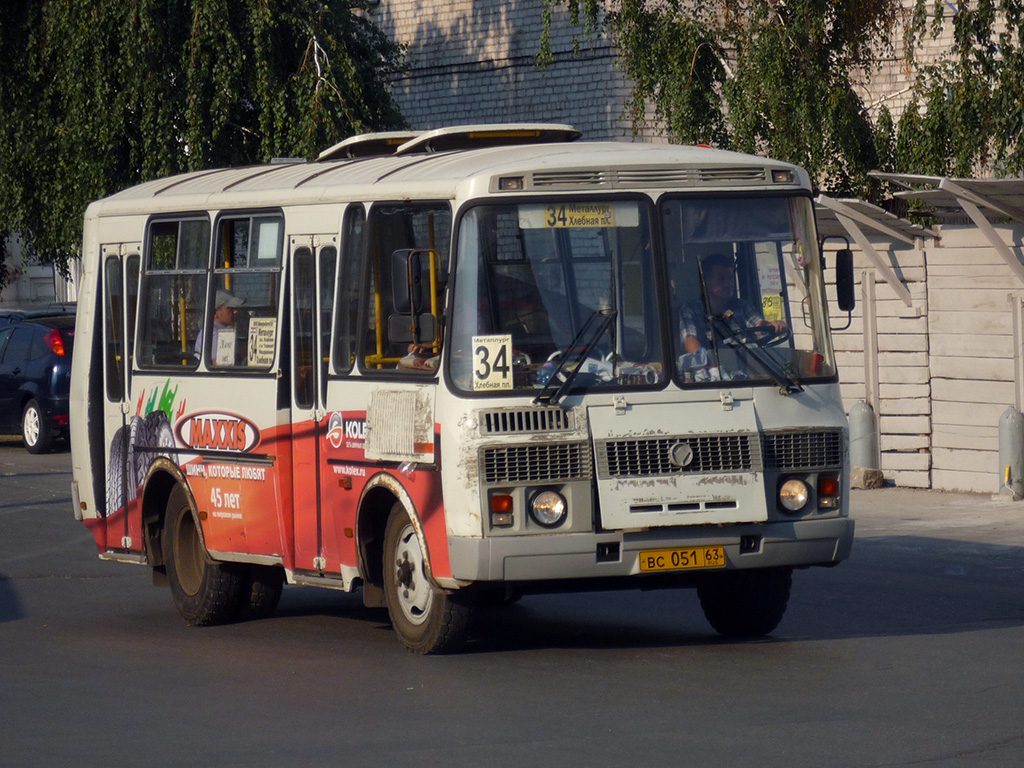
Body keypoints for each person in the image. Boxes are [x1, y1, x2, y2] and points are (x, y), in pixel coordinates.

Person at [679, 253, 787, 377]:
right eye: (721, 279)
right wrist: (709, 364)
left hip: (745, 373)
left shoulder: (741, 306)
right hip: (709, 376)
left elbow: (758, 324)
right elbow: (689, 339)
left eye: (731, 279)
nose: (728, 284)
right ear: (706, 282)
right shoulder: (691, 310)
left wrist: (772, 325)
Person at [195, 289, 244, 361]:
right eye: (230, 308)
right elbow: (218, 364)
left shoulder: (211, 329)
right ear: (216, 311)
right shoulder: (217, 333)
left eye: (236, 308)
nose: (236, 312)